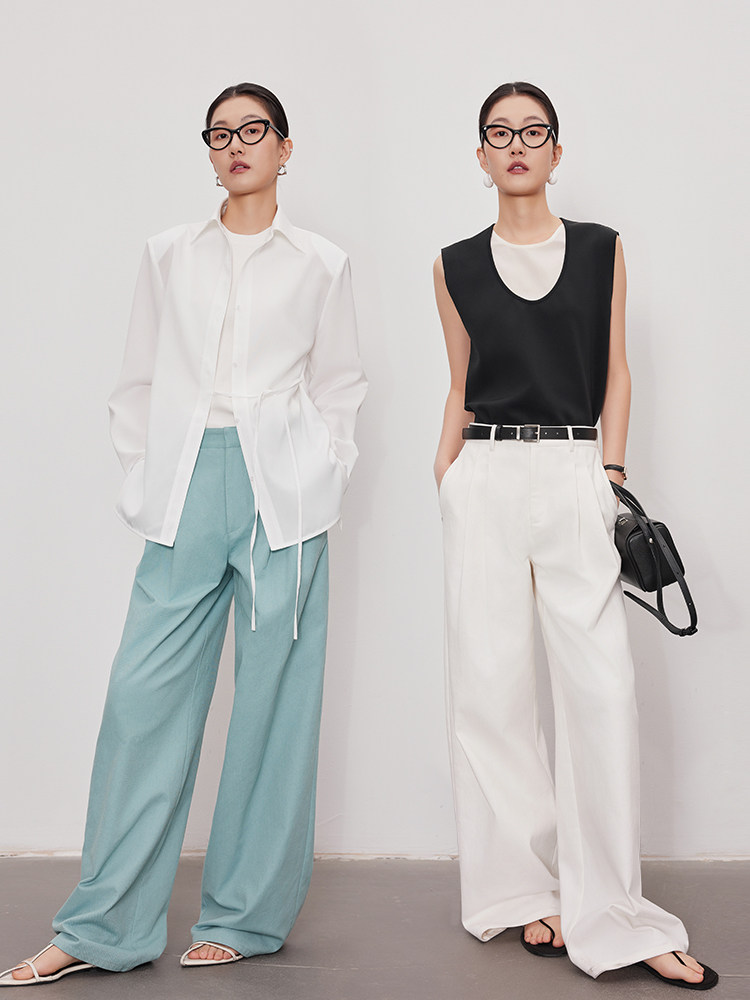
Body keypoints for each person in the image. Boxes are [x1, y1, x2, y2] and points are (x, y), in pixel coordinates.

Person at [1, 81, 366, 987]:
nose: (235, 144)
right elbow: (135, 381)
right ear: (208, 150)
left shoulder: (322, 263)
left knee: (275, 710)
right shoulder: (168, 253)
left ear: (285, 147)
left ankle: (244, 917)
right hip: (186, 482)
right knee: (143, 702)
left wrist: (320, 474)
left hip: (286, 493)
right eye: (219, 133)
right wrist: (145, 480)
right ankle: (102, 928)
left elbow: (340, 385)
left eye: (253, 130)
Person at [433, 81, 717, 991]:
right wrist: (446, 476)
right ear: (481, 155)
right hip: (483, 474)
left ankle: (618, 914)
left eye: (534, 131)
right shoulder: (451, 264)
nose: (517, 144)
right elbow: (459, 383)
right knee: (489, 692)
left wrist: (611, 474)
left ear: (558, 151)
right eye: (500, 133)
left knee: (600, 693)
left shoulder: (600, 250)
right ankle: (522, 891)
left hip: (573, 471)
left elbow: (617, 369)